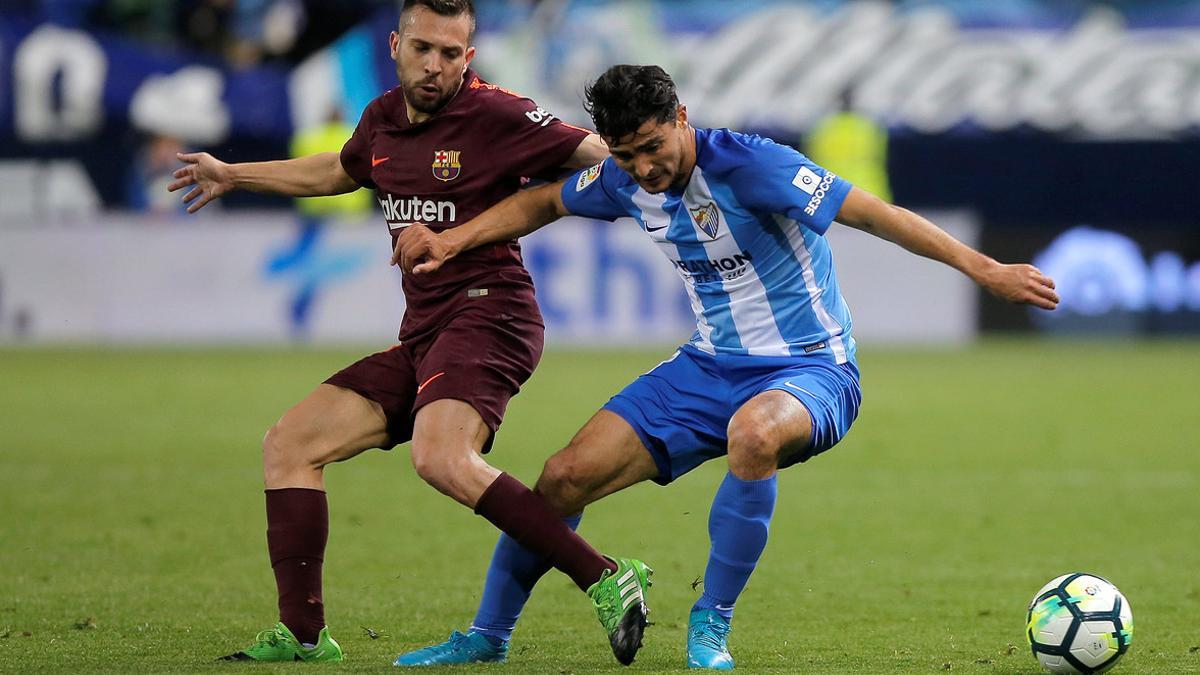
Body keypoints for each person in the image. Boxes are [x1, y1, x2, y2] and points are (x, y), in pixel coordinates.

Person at [392, 64, 1060, 670]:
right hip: (707, 366)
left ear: (681, 117)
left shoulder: (751, 165)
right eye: (628, 155)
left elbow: (875, 214)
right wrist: (451, 240)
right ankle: (487, 634)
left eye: (654, 147)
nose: (645, 168)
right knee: (563, 478)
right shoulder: (623, 180)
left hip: (811, 369)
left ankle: (710, 624)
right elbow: (543, 201)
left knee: (755, 433)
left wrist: (984, 267)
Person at [166, 1, 654, 666]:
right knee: (290, 444)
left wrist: (637, 183)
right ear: (396, 44)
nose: (435, 66)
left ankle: (605, 576)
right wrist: (232, 173)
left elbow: (599, 157)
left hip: (492, 313)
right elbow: (339, 171)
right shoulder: (381, 119)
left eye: (451, 54)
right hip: (426, 331)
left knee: (441, 455)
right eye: (424, 48)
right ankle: (304, 634)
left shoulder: (498, 113)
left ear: (469, 58)